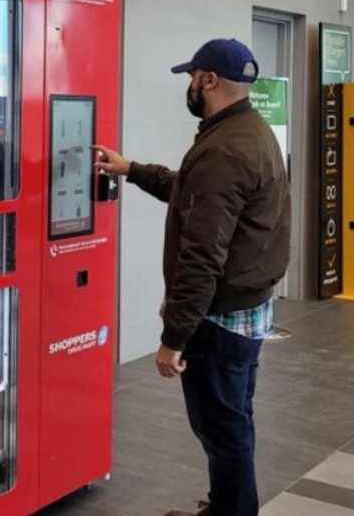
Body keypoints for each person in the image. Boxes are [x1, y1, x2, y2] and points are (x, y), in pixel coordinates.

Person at [94, 39, 291, 516]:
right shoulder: (250, 131)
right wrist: (131, 169)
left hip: (219, 321)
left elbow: (202, 255)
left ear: (209, 80)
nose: (189, 86)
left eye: (192, 77)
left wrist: (174, 338)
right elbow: (193, 192)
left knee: (222, 428)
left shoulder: (224, 149)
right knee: (232, 419)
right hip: (246, 307)